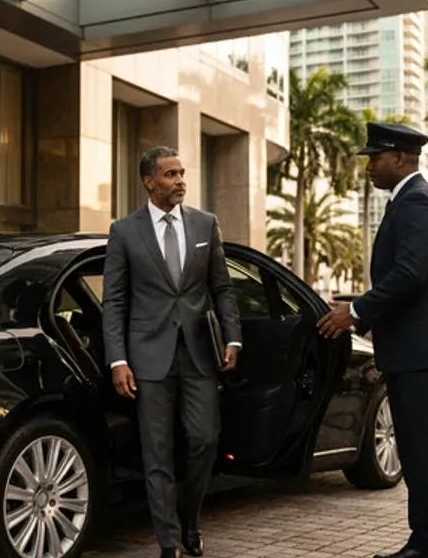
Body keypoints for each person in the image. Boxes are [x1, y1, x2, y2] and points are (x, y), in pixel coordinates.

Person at [316, 122, 428, 558]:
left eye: (375, 157)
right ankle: (425, 542)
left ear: (400, 158)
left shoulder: (418, 200)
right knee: (417, 456)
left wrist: (356, 311)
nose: (369, 166)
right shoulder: (406, 200)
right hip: (412, 352)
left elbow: (409, 274)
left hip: (427, 352)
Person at [102, 146, 243, 558]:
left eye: (182, 173)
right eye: (170, 175)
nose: (180, 181)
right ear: (150, 182)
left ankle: (188, 518)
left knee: (205, 439)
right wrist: (118, 359)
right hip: (147, 358)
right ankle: (168, 541)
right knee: (157, 452)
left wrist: (232, 338)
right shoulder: (124, 231)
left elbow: (222, 287)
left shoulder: (205, 224)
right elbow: (115, 301)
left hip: (199, 354)